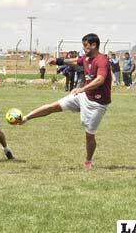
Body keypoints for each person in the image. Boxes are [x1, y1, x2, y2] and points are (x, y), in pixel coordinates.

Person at [19, 33, 111, 170]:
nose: (84, 49)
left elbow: (100, 80)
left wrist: (82, 88)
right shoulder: (86, 58)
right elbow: (75, 61)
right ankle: (25, 118)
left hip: (97, 103)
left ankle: (88, 161)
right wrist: (57, 61)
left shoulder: (102, 60)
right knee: (54, 106)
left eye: (86, 46)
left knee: (89, 134)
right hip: (84, 96)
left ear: (94, 45)